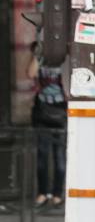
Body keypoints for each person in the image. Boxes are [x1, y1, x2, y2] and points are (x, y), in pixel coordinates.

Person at [27, 44, 66, 211]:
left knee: (59, 158)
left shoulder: (65, 62)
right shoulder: (41, 61)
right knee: (42, 156)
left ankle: (57, 195)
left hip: (61, 112)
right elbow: (30, 73)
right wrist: (38, 55)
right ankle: (42, 193)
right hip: (43, 112)